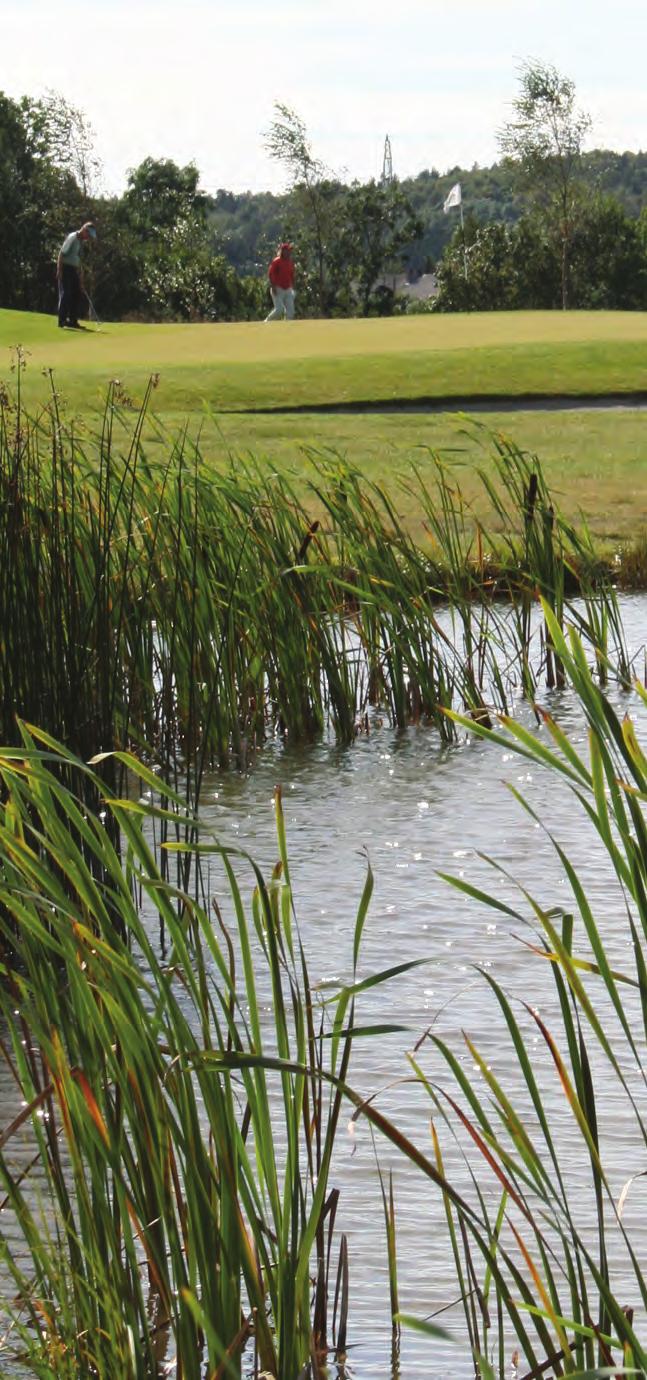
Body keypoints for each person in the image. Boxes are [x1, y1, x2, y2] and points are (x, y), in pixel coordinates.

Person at [56, 221, 97, 328]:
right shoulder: (73, 237)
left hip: (73, 269)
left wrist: (81, 278)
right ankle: (61, 321)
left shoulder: (80, 241)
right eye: (88, 235)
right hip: (65, 268)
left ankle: (73, 321)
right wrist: (59, 271)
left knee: (77, 293)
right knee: (66, 294)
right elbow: (61, 253)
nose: (88, 238)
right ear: (84, 230)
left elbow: (78, 261)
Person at [265, 242, 295, 321]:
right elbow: (271, 274)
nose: (288, 252)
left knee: (291, 312)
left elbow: (291, 275)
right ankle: (266, 322)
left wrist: (292, 287)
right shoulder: (277, 261)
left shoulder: (290, 262)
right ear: (282, 251)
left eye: (289, 251)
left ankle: (287, 329)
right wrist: (273, 286)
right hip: (278, 288)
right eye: (286, 251)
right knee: (279, 310)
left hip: (288, 288)